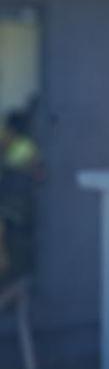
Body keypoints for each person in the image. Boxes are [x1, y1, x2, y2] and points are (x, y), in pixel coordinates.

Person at [0, 109, 43, 287]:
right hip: (13, 213)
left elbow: (38, 173)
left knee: (15, 252)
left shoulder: (24, 148)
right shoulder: (20, 147)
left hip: (16, 213)